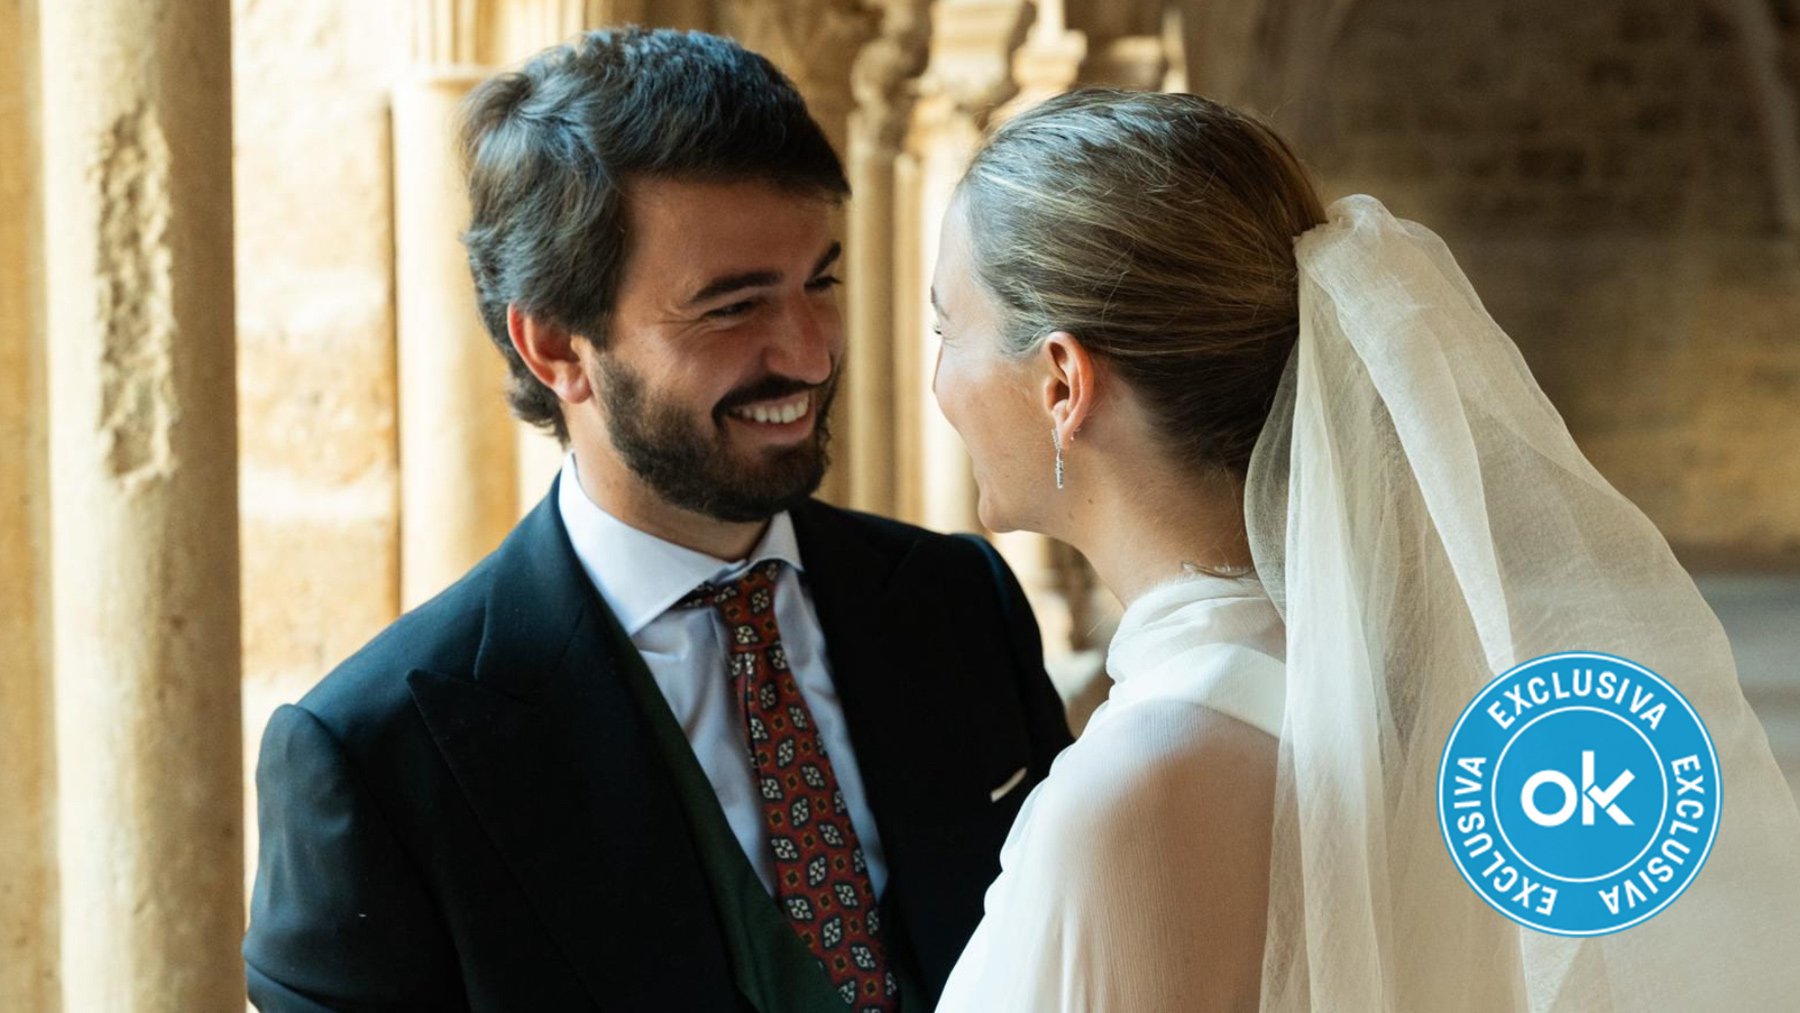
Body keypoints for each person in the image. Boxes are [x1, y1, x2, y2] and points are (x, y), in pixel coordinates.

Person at [242, 29, 1071, 1012]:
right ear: (556, 344)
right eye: (732, 307)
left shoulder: (958, 600)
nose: (808, 353)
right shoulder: (377, 756)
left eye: (820, 281)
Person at [927, 88, 1800, 1011]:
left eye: (948, 330)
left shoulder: (1144, 790)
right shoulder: (1375, 685)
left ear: (1063, 381)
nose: (938, 379)